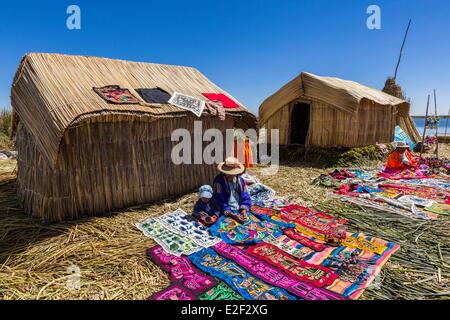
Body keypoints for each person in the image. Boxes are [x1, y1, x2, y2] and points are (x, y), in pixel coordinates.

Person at [213, 157, 252, 223]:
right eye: (229, 173)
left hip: (239, 207)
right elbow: (219, 201)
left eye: (233, 173)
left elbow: (246, 196)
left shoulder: (240, 181)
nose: (231, 175)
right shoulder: (219, 183)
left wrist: (244, 210)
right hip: (226, 210)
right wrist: (232, 215)